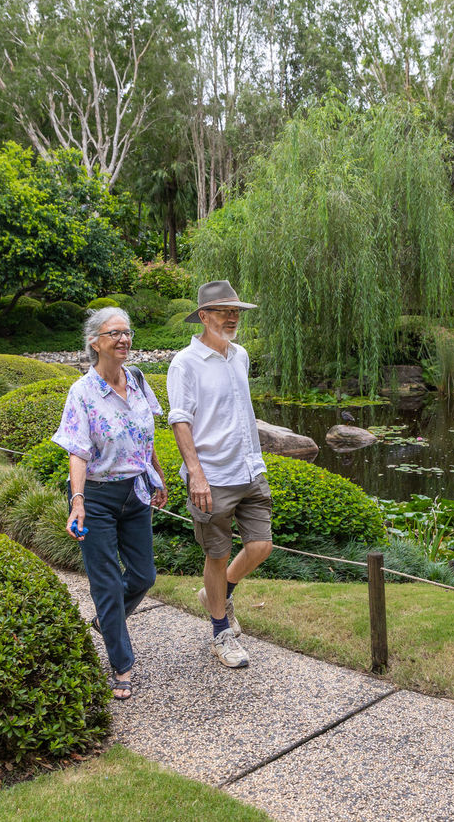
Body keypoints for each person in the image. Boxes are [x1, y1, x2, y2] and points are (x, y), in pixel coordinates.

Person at [53, 307, 168, 700]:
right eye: (114, 333)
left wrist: (157, 475)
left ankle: (107, 621)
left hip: (135, 492)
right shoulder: (82, 392)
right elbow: (77, 451)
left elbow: (145, 436)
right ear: (95, 342)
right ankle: (122, 664)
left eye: (127, 332)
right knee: (106, 582)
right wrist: (78, 501)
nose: (123, 339)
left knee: (144, 576)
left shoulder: (137, 380)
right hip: (97, 496)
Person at [168, 280, 272, 669]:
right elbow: (180, 420)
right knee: (217, 554)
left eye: (236, 311)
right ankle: (220, 634)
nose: (232, 318)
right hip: (211, 477)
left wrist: (254, 461)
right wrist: (196, 475)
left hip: (249, 469)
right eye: (224, 311)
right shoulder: (185, 363)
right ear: (203, 316)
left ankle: (219, 592)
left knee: (261, 546)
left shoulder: (240, 355)